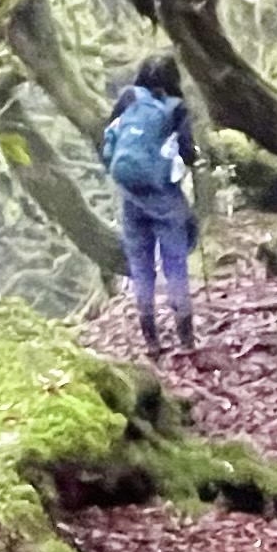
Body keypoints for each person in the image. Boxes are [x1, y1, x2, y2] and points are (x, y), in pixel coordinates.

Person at [98, 51, 199, 356]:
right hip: (164, 198)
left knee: (141, 268)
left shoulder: (128, 97)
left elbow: (110, 138)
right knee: (175, 265)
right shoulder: (175, 108)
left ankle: (151, 340)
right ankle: (186, 338)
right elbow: (187, 154)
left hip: (130, 196)